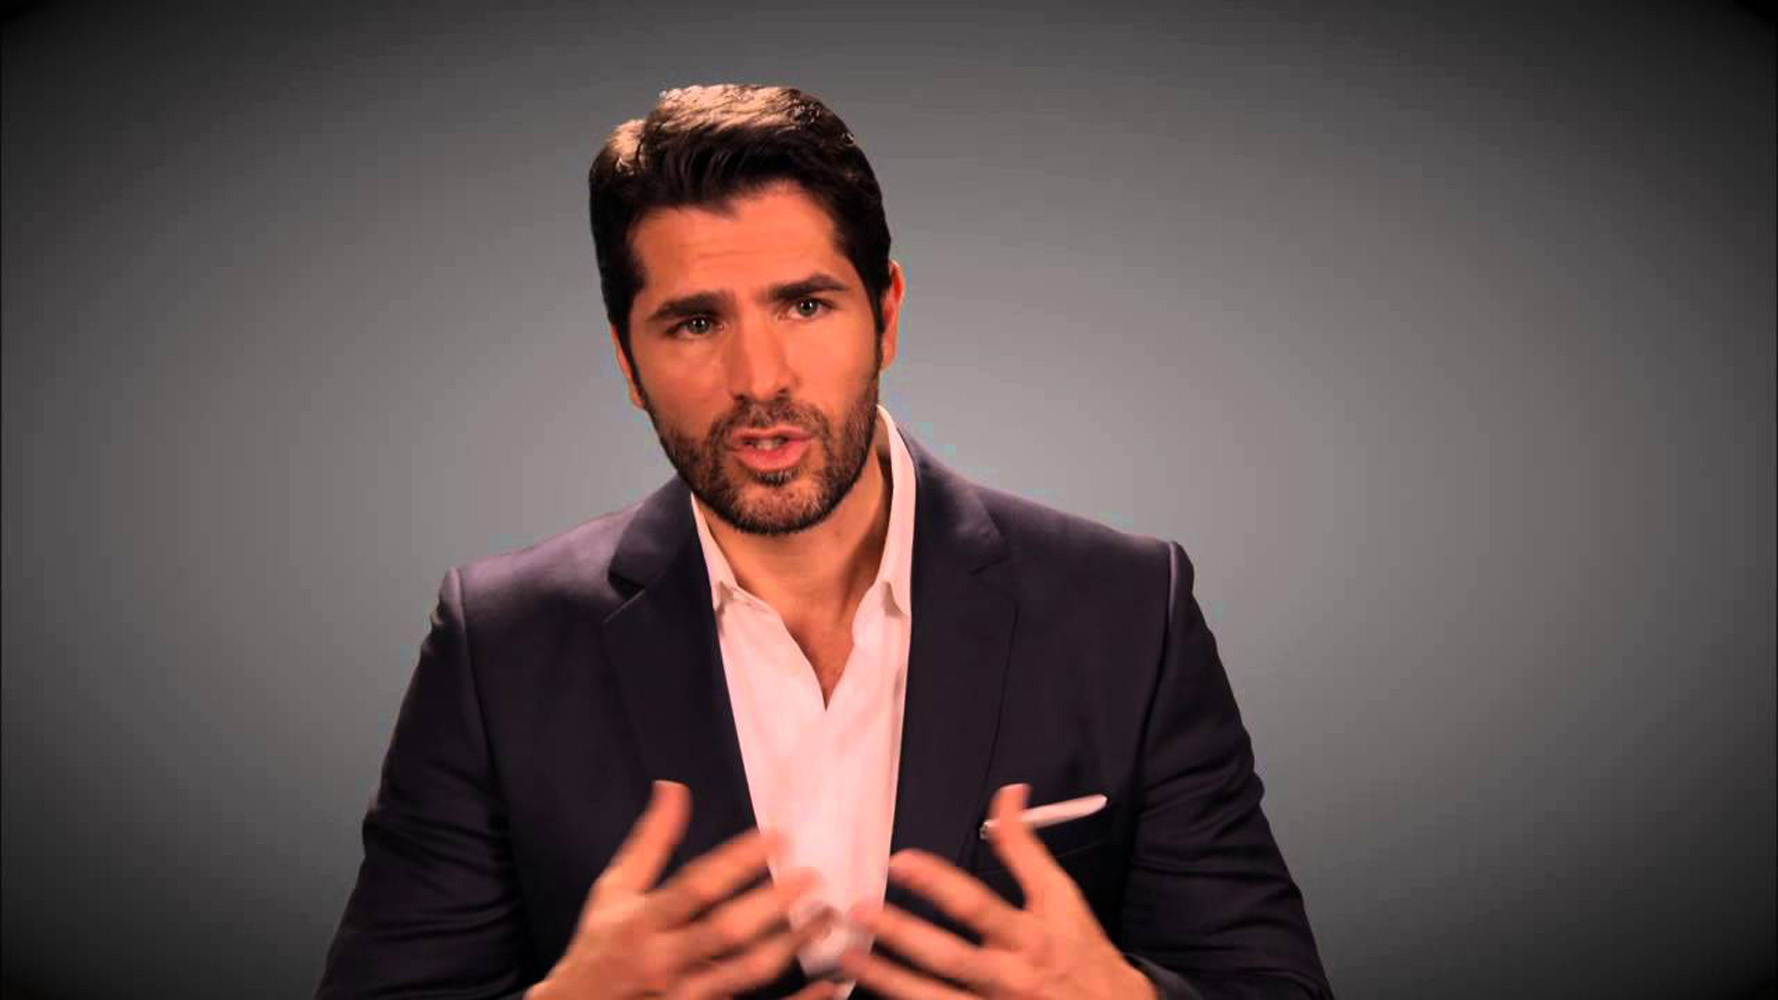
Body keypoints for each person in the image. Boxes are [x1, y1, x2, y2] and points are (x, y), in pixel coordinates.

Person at [316, 83, 1333, 1000]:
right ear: (627, 360)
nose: (760, 377)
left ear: (885, 314)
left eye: (805, 305)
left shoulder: (1128, 610)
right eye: (695, 323)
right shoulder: (497, 645)